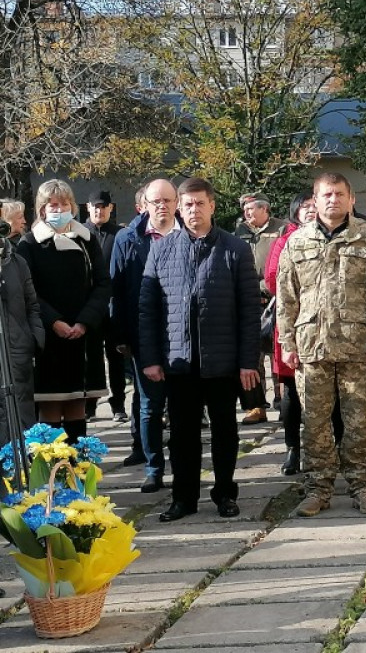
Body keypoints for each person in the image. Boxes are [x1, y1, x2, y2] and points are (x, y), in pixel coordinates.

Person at [139, 177, 260, 521]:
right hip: (179, 363)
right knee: (181, 437)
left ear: (212, 206)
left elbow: (249, 310)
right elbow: (148, 308)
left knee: (225, 433)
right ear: (179, 207)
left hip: (222, 362)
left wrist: (247, 361)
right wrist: (150, 358)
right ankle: (183, 498)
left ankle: (225, 493)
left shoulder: (234, 249)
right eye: (187, 204)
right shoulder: (162, 250)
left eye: (200, 203)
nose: (194, 210)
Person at [277, 173, 366, 517]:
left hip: (358, 345)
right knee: (314, 421)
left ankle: (363, 487)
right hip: (312, 345)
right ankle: (317, 488)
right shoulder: (297, 242)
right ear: (314, 199)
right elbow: (286, 296)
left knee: (359, 420)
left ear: (350, 199)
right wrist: (288, 342)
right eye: (326, 195)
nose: (333, 200)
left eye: (339, 194)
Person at [16, 179, 111, 444]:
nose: (59, 209)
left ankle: (79, 474)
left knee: (77, 406)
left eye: (64, 204)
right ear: (42, 209)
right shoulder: (29, 244)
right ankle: (52, 478)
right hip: (48, 340)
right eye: (52, 205)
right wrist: (54, 321)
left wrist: (84, 322)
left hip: (83, 336)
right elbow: (28, 291)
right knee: (51, 406)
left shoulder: (87, 240)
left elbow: (103, 284)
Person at [110, 178, 181, 492]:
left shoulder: (190, 234)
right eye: (156, 202)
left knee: (181, 405)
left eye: (168, 200)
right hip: (143, 333)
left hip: (183, 335)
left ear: (176, 202)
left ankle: (182, 465)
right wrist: (120, 335)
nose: (162, 206)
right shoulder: (128, 238)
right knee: (150, 405)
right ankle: (154, 468)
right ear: (145, 205)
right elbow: (117, 290)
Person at [264, 191, 317, 476]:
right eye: (304, 207)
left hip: (328, 330)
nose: (309, 211)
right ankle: (292, 449)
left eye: (313, 206)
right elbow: (272, 279)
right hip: (292, 325)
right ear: (295, 212)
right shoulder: (284, 241)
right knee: (292, 394)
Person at [234, 192, 287, 425]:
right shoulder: (239, 232)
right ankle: (256, 405)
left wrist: (264, 286)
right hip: (247, 301)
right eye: (244, 209)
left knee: (277, 354)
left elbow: (282, 265)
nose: (246, 213)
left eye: (251, 208)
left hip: (275, 299)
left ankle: (282, 400)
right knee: (251, 356)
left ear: (265, 209)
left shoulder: (282, 229)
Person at [84, 189, 127, 422]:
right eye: (95, 206)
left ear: (110, 208)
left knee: (116, 357)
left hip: (114, 306)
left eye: (103, 206)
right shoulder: (80, 234)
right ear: (88, 208)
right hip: (90, 306)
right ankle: (90, 406)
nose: (99, 210)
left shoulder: (120, 234)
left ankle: (118, 404)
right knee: (92, 359)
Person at [0, 220, 44, 445]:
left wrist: (34, 338)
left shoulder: (17, 262)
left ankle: (24, 473)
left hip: (18, 352)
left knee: (22, 417)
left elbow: (32, 305)